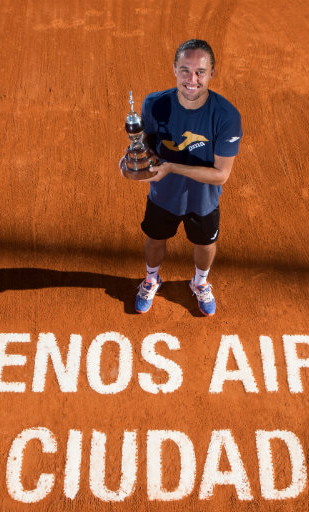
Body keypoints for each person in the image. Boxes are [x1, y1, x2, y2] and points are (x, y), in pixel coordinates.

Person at [134, 39, 242, 316]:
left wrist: (172, 168)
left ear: (211, 73)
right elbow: (146, 141)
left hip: (203, 200)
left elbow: (221, 175)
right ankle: (151, 278)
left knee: (205, 244)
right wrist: (135, 154)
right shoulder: (153, 104)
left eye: (200, 72)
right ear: (174, 69)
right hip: (163, 196)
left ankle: (200, 282)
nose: (191, 80)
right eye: (185, 70)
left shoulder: (226, 116)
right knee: (155, 239)